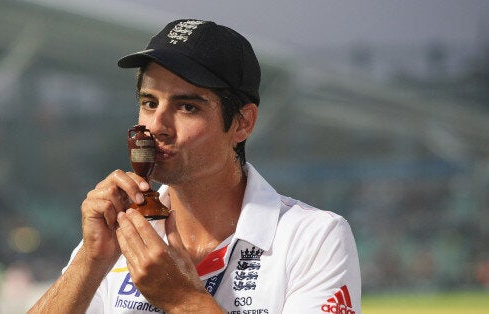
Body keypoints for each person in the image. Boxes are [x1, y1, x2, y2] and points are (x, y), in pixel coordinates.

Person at [30, 19, 361, 313]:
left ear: (243, 122)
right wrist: (89, 262)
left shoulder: (313, 238)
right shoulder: (120, 234)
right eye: (149, 103)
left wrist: (183, 300)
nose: (157, 125)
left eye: (186, 106)